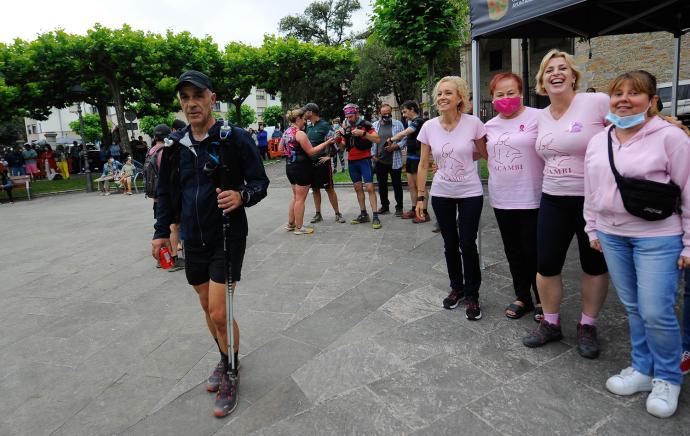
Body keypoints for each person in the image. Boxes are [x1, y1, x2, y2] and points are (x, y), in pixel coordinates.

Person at [152, 70, 269, 417]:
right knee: (206, 307)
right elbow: (166, 194)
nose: (191, 104)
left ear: (211, 99)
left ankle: (231, 372)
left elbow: (260, 181)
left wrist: (242, 195)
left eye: (197, 96)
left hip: (227, 235)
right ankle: (224, 357)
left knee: (221, 311)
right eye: (185, 98)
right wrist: (161, 232)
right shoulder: (174, 147)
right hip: (193, 238)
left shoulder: (234, 138)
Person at [584, 70, 690, 418]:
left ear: (652, 101)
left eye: (635, 93)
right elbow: (591, 187)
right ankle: (643, 370)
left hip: (657, 237)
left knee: (656, 310)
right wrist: (592, 228)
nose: (624, 99)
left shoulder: (671, 137)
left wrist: (688, 243)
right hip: (612, 235)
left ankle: (668, 377)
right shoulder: (600, 139)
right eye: (618, 93)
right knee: (632, 306)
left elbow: (688, 191)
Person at [521, 49, 610, 359]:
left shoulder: (595, 103)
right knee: (546, 265)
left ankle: (588, 325)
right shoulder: (540, 115)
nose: (555, 73)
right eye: (549, 70)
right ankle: (551, 321)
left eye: (562, 68)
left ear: (574, 76)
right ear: (542, 81)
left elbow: (629, 126)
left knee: (594, 265)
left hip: (593, 201)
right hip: (553, 199)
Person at [416, 76, 488, 321]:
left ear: (460, 98)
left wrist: (461, 161)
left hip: (470, 192)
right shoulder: (429, 127)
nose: (442, 97)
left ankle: (472, 294)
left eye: (448, 93)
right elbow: (424, 163)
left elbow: (483, 153)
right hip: (442, 193)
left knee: (467, 243)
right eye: (439, 93)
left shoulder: (473, 123)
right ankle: (456, 287)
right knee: (449, 243)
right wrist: (420, 198)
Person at [483, 72, 543, 321]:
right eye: (500, 94)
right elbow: (482, 154)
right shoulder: (488, 127)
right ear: (492, 98)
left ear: (521, 94)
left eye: (511, 93)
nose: (506, 98)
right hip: (502, 197)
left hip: (532, 195)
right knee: (513, 250)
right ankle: (523, 297)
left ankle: (543, 299)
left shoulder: (539, 117)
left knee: (534, 250)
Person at [281, 107, 335, 234]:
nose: (305, 122)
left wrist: (292, 151)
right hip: (301, 168)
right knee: (300, 199)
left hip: (289, 166)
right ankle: (299, 228)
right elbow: (311, 151)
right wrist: (327, 142)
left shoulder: (286, 132)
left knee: (295, 197)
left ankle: (291, 224)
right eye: (303, 120)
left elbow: (280, 148)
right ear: (298, 119)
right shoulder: (300, 133)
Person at [338, 103, 382, 229]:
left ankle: (375, 216)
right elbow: (342, 147)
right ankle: (363, 214)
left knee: (370, 187)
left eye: (351, 116)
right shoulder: (346, 127)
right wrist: (338, 139)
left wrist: (363, 134)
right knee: (358, 188)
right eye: (347, 117)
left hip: (364, 160)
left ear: (357, 114)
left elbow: (377, 139)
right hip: (352, 161)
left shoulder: (366, 124)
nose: (349, 119)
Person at [303, 103, 345, 224]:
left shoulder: (325, 125)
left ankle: (338, 213)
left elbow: (337, 142)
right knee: (315, 189)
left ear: (310, 112)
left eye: (305, 111)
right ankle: (318, 214)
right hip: (311, 163)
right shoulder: (309, 127)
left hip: (323, 163)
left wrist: (330, 156)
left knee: (329, 189)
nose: (304, 113)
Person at [389, 100, 428, 221]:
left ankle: (424, 213)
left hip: (419, 158)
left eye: (405, 112)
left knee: (420, 185)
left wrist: (391, 139)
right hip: (410, 157)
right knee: (411, 185)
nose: (404, 115)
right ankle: (414, 209)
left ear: (412, 109)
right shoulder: (411, 122)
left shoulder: (419, 121)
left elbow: (406, 133)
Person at [372, 103, 406, 217]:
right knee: (382, 185)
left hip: (394, 160)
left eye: (388, 112)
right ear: (379, 113)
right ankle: (385, 206)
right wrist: (373, 155)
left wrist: (396, 146)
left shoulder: (398, 124)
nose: (386, 115)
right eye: (384, 113)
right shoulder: (375, 125)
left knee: (397, 185)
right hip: (380, 160)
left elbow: (405, 139)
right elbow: (371, 142)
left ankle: (399, 207)